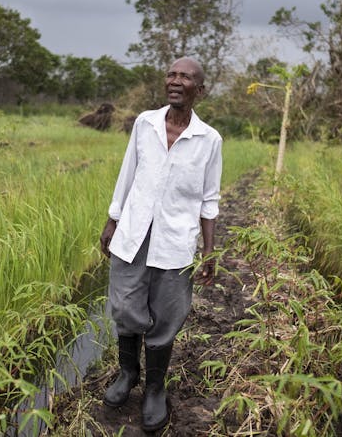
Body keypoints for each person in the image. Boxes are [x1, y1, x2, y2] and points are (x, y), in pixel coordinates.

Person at [99, 57, 222, 431]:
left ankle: (154, 389)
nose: (175, 80)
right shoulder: (145, 123)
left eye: (185, 77)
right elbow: (128, 172)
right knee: (125, 305)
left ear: (199, 90)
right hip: (135, 233)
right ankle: (127, 374)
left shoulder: (209, 139)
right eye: (171, 74)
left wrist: (209, 250)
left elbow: (209, 200)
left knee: (167, 315)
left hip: (175, 241)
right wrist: (112, 219)